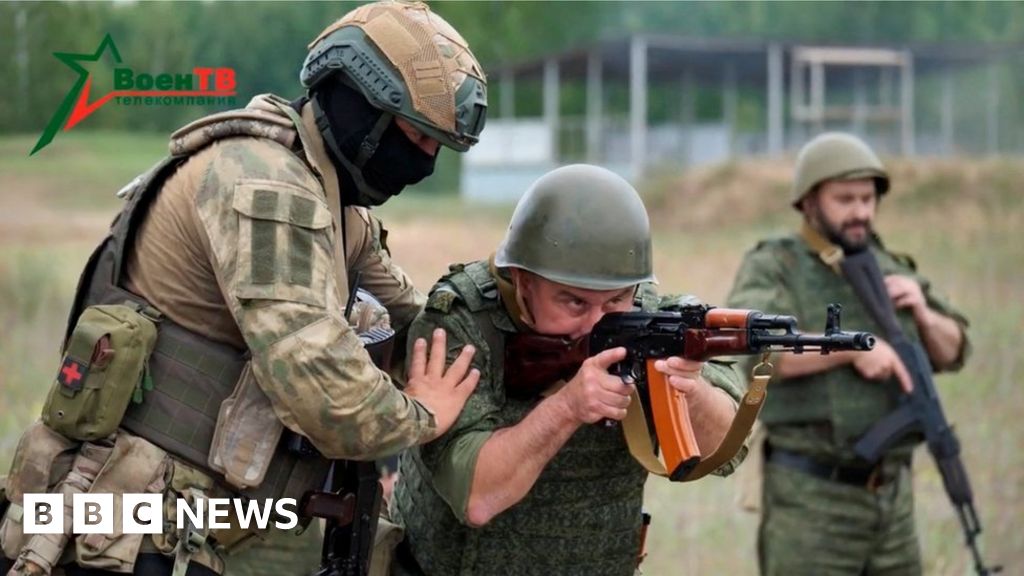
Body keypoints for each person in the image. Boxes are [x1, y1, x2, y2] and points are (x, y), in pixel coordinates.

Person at [0, 2, 487, 575]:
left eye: (437, 147)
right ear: (357, 102)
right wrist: (423, 414)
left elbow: (421, 320)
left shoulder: (334, 205)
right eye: (413, 135)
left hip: (193, 524)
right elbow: (328, 396)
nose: (424, 163)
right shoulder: (266, 187)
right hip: (127, 526)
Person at [389, 164, 746, 576]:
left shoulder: (654, 317)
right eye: (574, 303)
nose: (597, 324)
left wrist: (691, 389)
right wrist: (568, 407)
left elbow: (726, 453)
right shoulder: (462, 324)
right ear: (523, 282)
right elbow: (477, 498)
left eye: (615, 301)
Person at [726, 132, 971, 576]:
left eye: (868, 198)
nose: (860, 211)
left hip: (892, 501)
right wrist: (851, 349)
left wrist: (924, 312)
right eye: (845, 198)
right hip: (812, 500)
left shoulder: (890, 266)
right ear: (809, 201)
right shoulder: (777, 265)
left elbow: (956, 350)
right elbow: (758, 350)